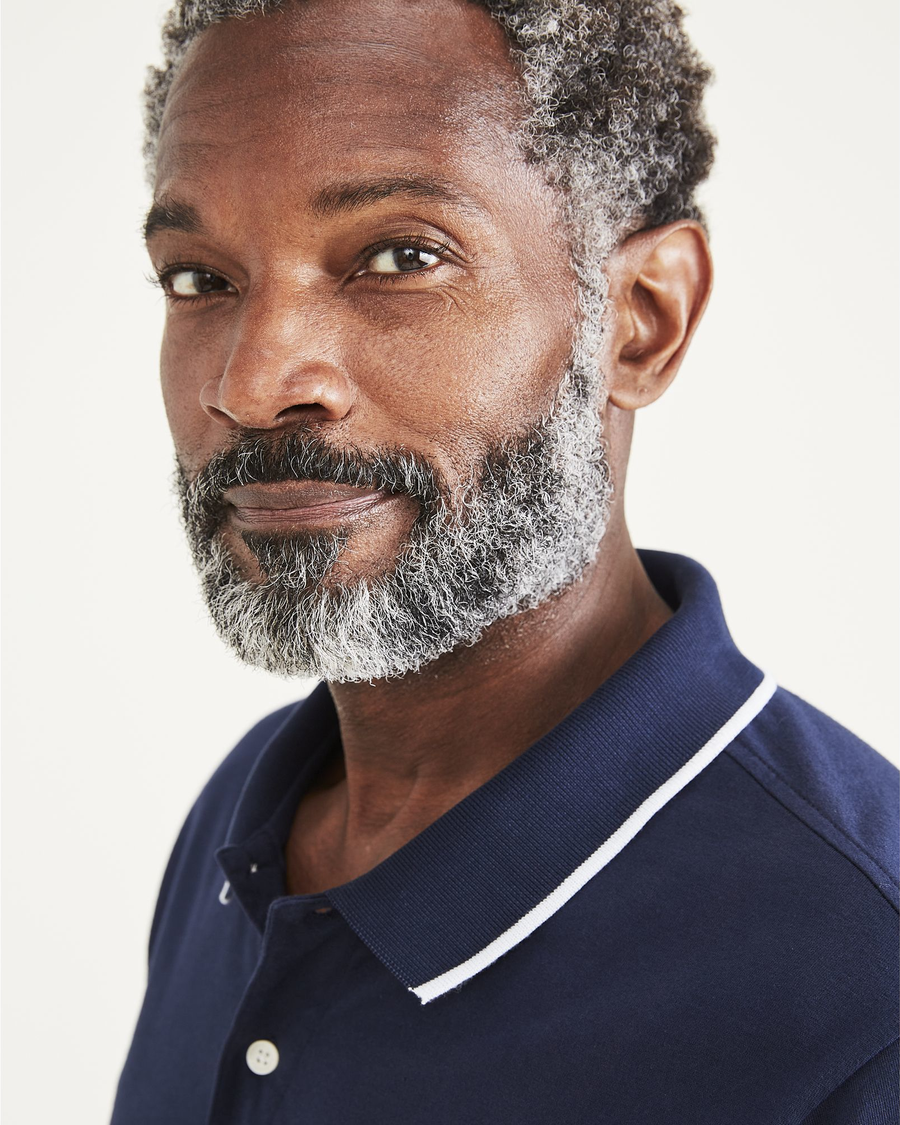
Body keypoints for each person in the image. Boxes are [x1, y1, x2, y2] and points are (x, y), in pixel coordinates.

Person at [113, 0, 899, 1121]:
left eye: (399, 257)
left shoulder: (863, 989)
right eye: (199, 279)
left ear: (640, 319)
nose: (250, 383)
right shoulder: (245, 819)